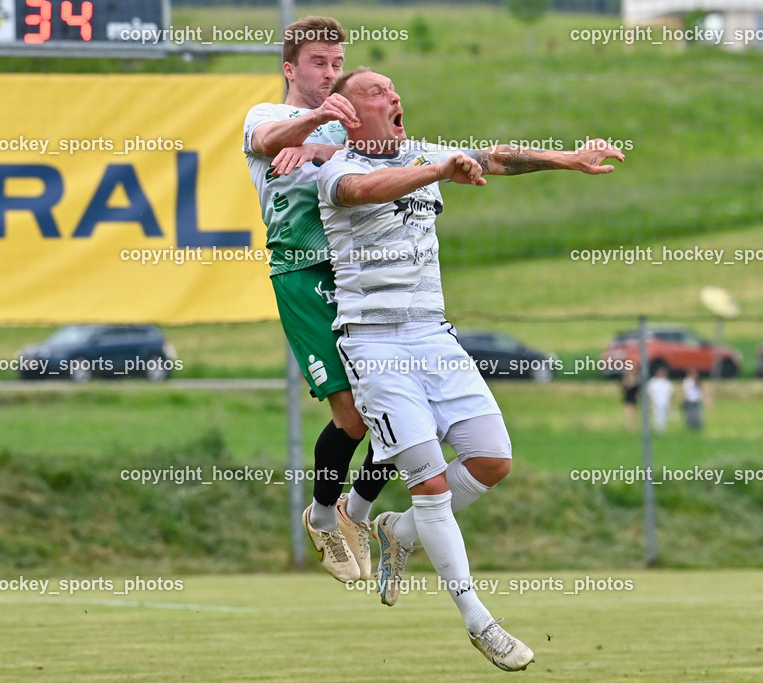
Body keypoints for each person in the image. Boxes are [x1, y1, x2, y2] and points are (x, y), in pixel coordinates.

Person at [315, 66, 624, 671]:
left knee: (491, 460)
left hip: (433, 334)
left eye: (393, 88)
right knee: (430, 484)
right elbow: (366, 191)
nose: (393, 96)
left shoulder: (428, 153)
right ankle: (480, 622)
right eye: (376, 92)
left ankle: (400, 533)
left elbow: (497, 157)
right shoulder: (337, 168)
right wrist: (439, 170)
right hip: (374, 343)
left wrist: (568, 159)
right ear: (348, 114)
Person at [242, 17, 396, 584]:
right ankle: (324, 515)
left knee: (398, 412)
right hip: (302, 274)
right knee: (352, 417)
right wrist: (311, 127)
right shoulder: (266, 115)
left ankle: (357, 510)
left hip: (363, 273)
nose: (330, 73)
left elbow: (391, 156)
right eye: (318, 63)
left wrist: (319, 147)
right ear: (290, 68)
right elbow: (268, 142)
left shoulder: (346, 121)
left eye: (337, 64)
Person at [645, 366, 673, 432]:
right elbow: (649, 391)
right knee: (657, 415)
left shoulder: (666, 382)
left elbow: (670, 392)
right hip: (655, 401)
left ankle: (662, 429)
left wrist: (669, 401)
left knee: (663, 415)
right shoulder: (653, 381)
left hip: (664, 401)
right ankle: (658, 429)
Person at [620, 365, 640, 431]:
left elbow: (637, 391)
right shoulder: (626, 381)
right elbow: (624, 389)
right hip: (628, 399)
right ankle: (629, 426)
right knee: (628, 413)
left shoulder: (636, 381)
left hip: (633, 398)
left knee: (634, 413)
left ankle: (633, 426)